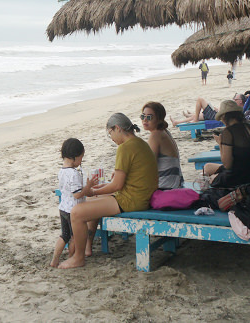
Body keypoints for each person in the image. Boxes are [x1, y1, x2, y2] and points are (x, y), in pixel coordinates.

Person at [58, 113, 157, 269]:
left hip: (132, 200)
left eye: (110, 133)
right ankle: (87, 246)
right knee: (89, 200)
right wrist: (97, 190)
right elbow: (123, 181)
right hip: (140, 195)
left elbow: (116, 185)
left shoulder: (125, 147)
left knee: (77, 212)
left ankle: (78, 257)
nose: (111, 137)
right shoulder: (140, 143)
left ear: (117, 128)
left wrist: (95, 190)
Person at [51, 138, 96, 267]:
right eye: (81, 157)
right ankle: (71, 258)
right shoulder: (73, 174)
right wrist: (87, 188)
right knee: (74, 238)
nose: (81, 161)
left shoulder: (62, 171)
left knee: (64, 235)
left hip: (63, 208)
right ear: (74, 157)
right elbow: (77, 194)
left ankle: (55, 259)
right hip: (73, 211)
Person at [201, 100, 250, 187]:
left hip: (238, 178)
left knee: (209, 179)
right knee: (207, 167)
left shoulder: (229, 132)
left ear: (225, 116)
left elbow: (227, 165)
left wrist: (221, 144)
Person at [141, 102, 183, 189]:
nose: (145, 120)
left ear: (159, 119)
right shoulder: (164, 131)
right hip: (175, 183)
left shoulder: (156, 135)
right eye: (143, 116)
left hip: (166, 187)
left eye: (149, 117)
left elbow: (149, 166)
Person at [174, 92, 244, 125]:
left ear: (240, 101)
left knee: (200, 100)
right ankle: (177, 122)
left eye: (235, 99)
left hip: (215, 116)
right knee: (197, 115)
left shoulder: (238, 109)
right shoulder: (237, 108)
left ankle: (195, 119)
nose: (234, 100)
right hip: (216, 114)